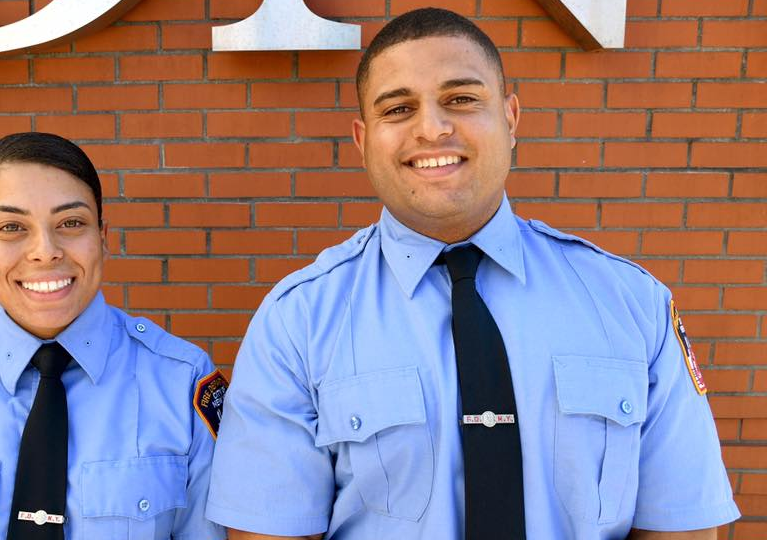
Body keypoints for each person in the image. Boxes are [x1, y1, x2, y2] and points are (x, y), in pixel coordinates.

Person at [206, 8, 739, 540]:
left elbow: (681, 527)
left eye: (461, 99)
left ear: (510, 118)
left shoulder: (631, 304)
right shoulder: (297, 323)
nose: (433, 127)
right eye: (398, 108)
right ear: (362, 140)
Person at [0, 132, 227, 540]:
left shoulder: (182, 382)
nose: (45, 250)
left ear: (103, 237)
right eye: (12, 227)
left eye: (71, 223)